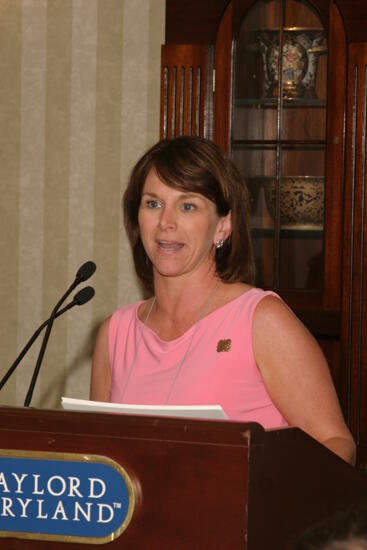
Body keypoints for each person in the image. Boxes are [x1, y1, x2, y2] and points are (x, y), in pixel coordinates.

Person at [90, 135, 355, 465]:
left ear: (223, 227)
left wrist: (265, 501)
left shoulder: (261, 320)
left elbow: (336, 444)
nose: (165, 223)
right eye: (153, 204)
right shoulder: (115, 334)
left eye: (188, 206)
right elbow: (101, 462)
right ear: (137, 218)